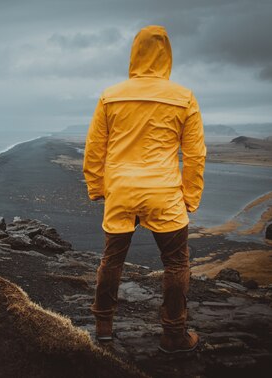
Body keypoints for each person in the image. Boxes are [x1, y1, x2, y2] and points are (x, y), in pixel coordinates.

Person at [82, 25, 206, 353]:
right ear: (168, 55)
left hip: (121, 190)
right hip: (164, 192)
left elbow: (95, 147)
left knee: (112, 259)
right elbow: (195, 154)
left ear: (134, 52)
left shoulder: (111, 95)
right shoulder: (184, 97)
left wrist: (97, 188)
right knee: (176, 262)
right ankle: (173, 335)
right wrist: (190, 196)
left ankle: (104, 327)